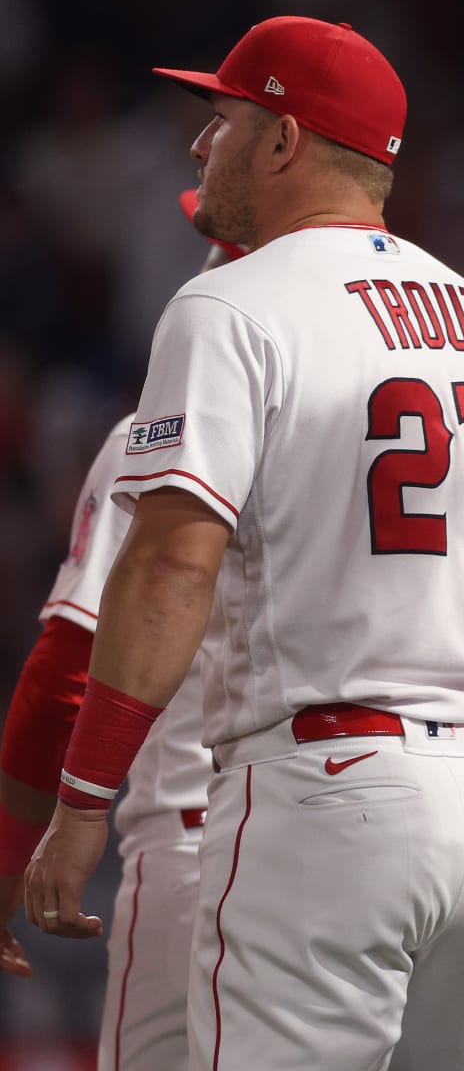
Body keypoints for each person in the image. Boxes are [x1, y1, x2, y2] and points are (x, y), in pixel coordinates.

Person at [22, 16, 464, 1070]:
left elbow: (171, 564)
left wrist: (85, 797)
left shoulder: (232, 302)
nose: (199, 146)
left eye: (224, 117)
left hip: (325, 800)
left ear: (282, 140)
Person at [0, 193, 239, 1068]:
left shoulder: (162, 433)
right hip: (451, 817)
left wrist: (12, 860)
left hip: (210, 843)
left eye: (217, 252)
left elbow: (66, 669)